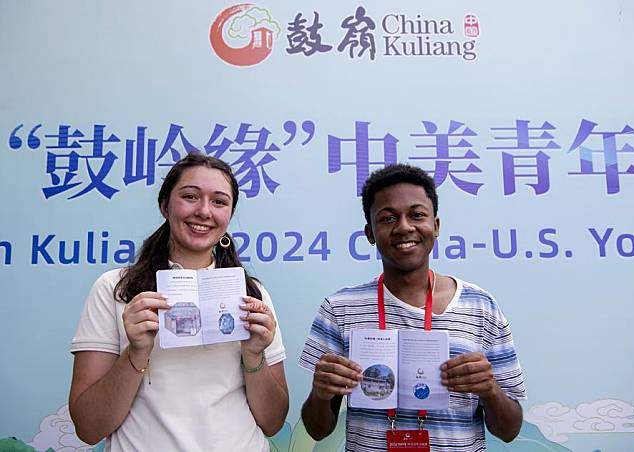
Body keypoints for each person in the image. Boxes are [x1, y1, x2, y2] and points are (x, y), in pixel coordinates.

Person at [69, 153, 288, 451]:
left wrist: (254, 356)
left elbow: (273, 422)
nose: (204, 211)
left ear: (229, 215)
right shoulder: (116, 289)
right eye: (190, 196)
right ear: (165, 206)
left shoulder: (251, 294)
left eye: (219, 202)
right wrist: (136, 351)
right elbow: (88, 427)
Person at [299, 164, 526, 451]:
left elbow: (509, 431)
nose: (404, 227)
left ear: (436, 226)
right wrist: (320, 393)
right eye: (388, 218)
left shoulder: (480, 307)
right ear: (370, 233)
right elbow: (317, 430)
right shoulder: (339, 308)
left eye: (417, 215)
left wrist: (490, 390)